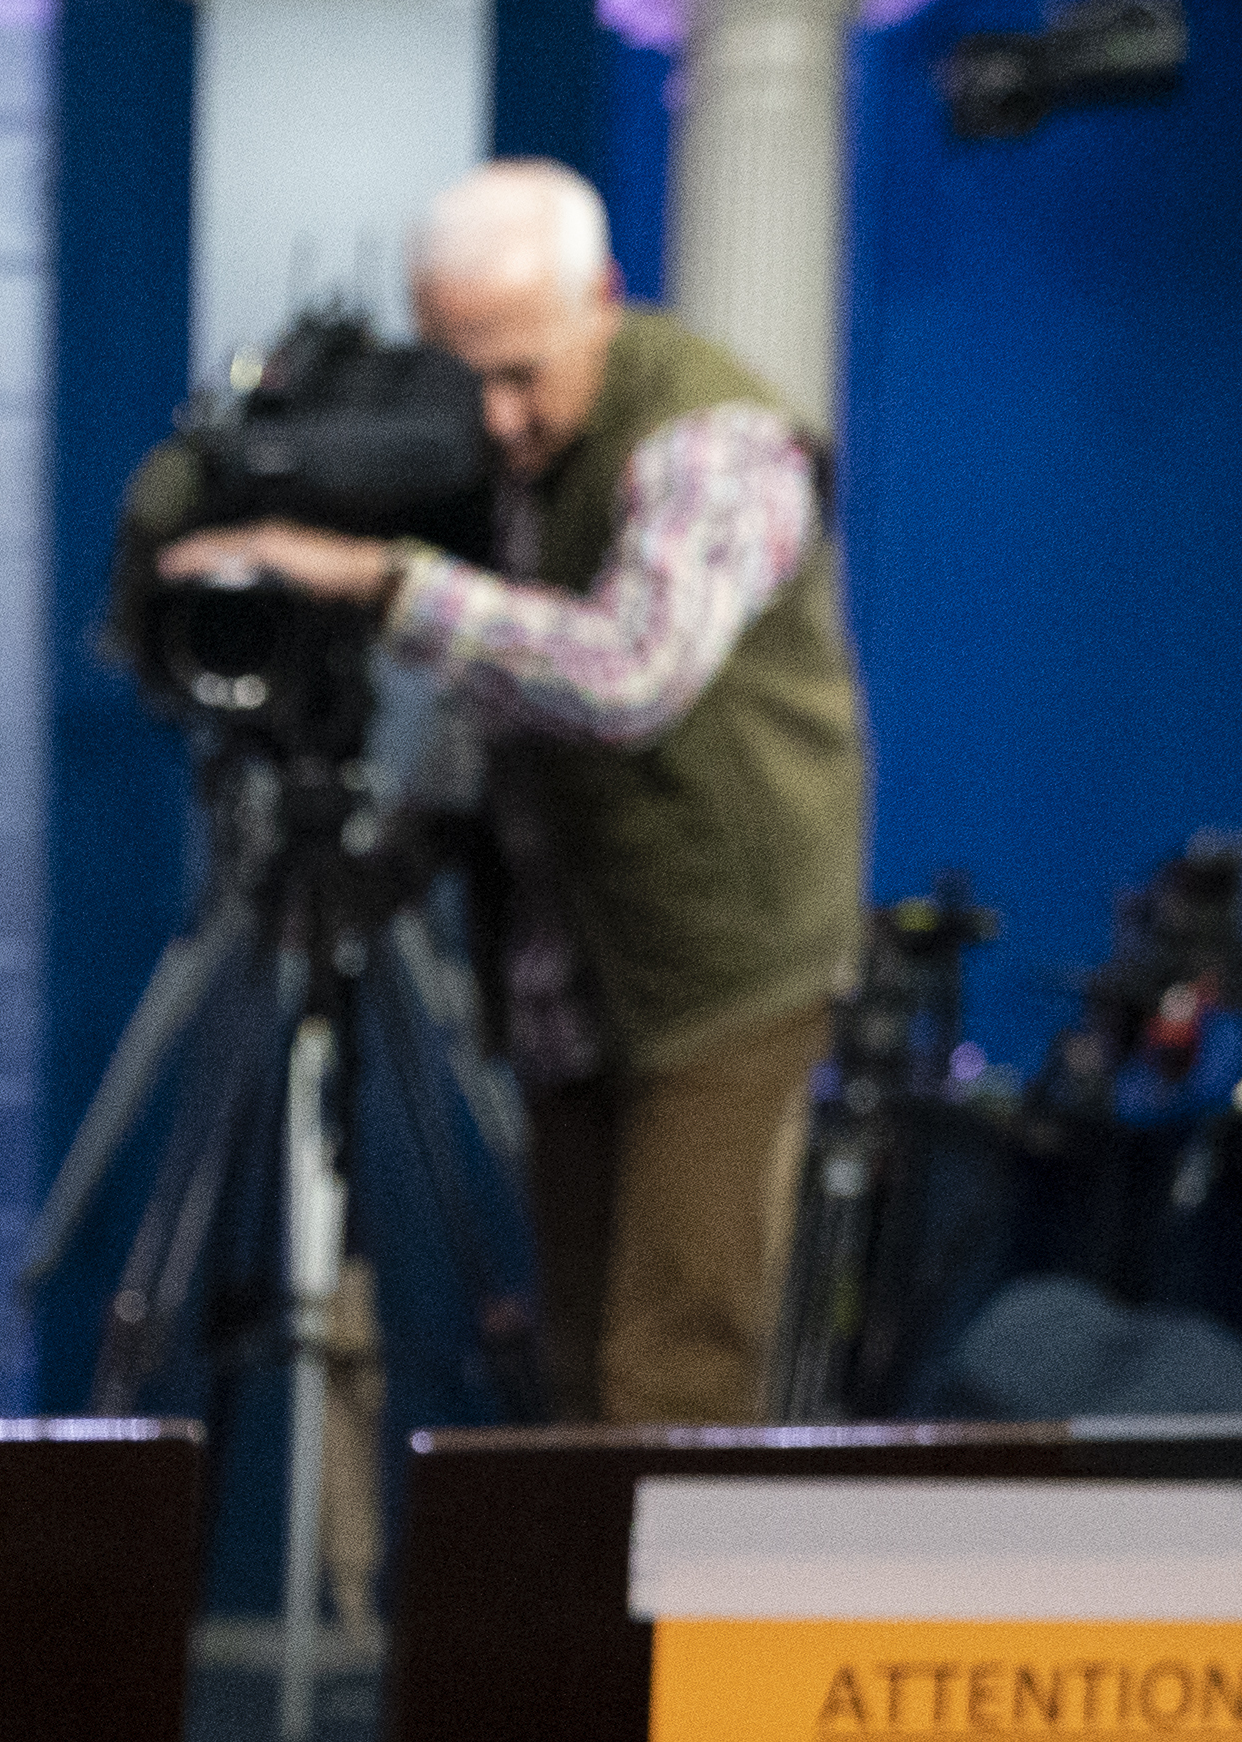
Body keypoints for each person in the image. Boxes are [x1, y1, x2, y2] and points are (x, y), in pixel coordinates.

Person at [161, 160, 868, 1423]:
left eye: (518, 374)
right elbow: (500, 693)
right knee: (576, 1367)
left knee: (669, 1378)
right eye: (462, 379)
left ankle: (655, 1570)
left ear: (600, 297)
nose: (494, 419)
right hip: (565, 967)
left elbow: (628, 672)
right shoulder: (514, 458)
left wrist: (374, 579)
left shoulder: (712, 444)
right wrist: (404, 845)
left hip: (717, 971)